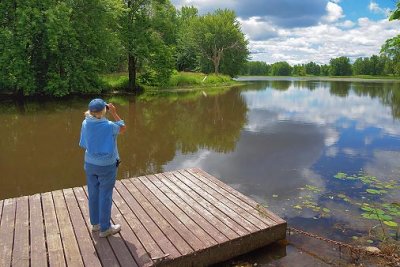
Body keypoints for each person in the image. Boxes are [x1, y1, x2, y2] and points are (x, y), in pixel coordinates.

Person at [79, 98, 126, 237]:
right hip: (107, 166)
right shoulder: (109, 125)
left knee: (93, 193)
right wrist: (115, 112)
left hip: (90, 164)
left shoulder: (85, 123)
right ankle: (105, 228)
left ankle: (95, 224)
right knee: (105, 195)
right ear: (104, 110)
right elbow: (123, 127)